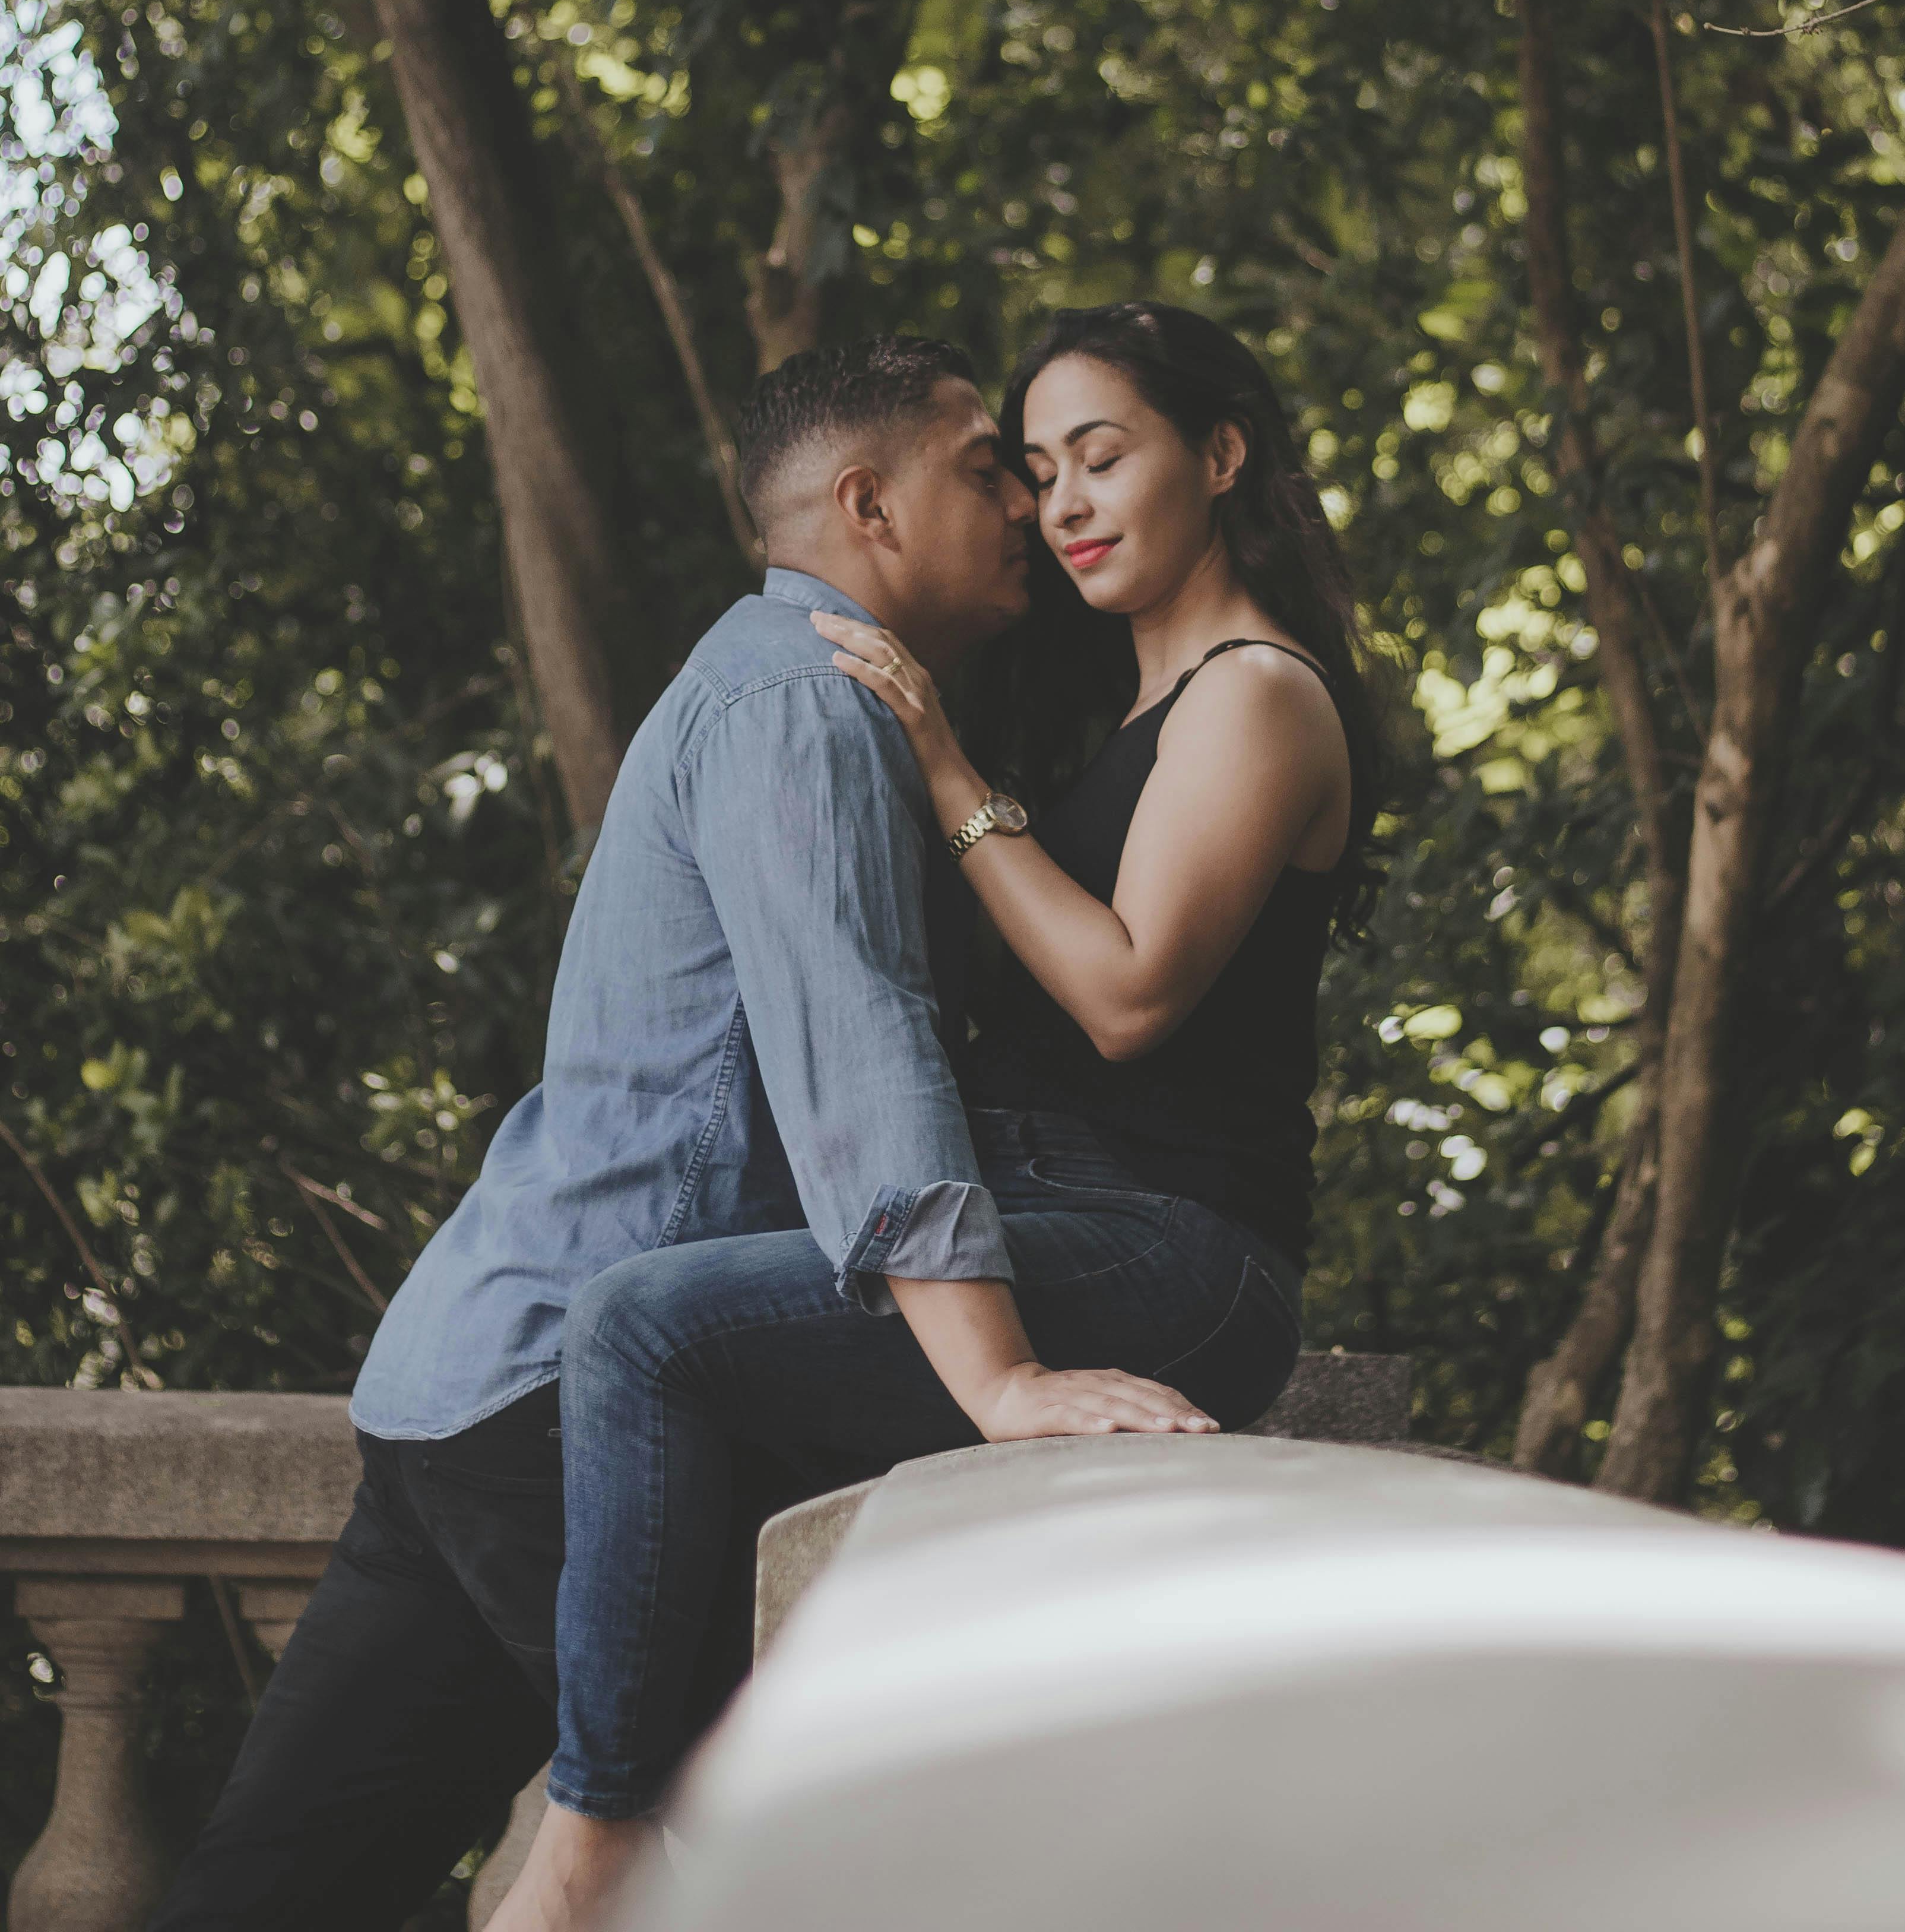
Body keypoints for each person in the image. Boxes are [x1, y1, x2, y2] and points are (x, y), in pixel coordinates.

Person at [147, 336, 1202, 1932]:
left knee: (272, 1893)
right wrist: (1000, 1373)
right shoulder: (804, 702)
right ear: (870, 504)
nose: (1024, 499)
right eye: (986, 463)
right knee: (811, 1882)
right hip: (556, 1412)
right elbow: (861, 1045)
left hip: (462, 1376)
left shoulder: (781, 682)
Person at [495, 301, 1384, 1932]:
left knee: (641, 1332)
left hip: (1181, 1252)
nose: (1066, 506)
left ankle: (601, 1838)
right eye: (1037, 473)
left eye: (1104, 457)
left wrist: (943, 763)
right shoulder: (1111, 714)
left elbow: (1126, 995)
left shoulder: (1257, 696)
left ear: (1225, 454)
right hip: (1053, 1217)